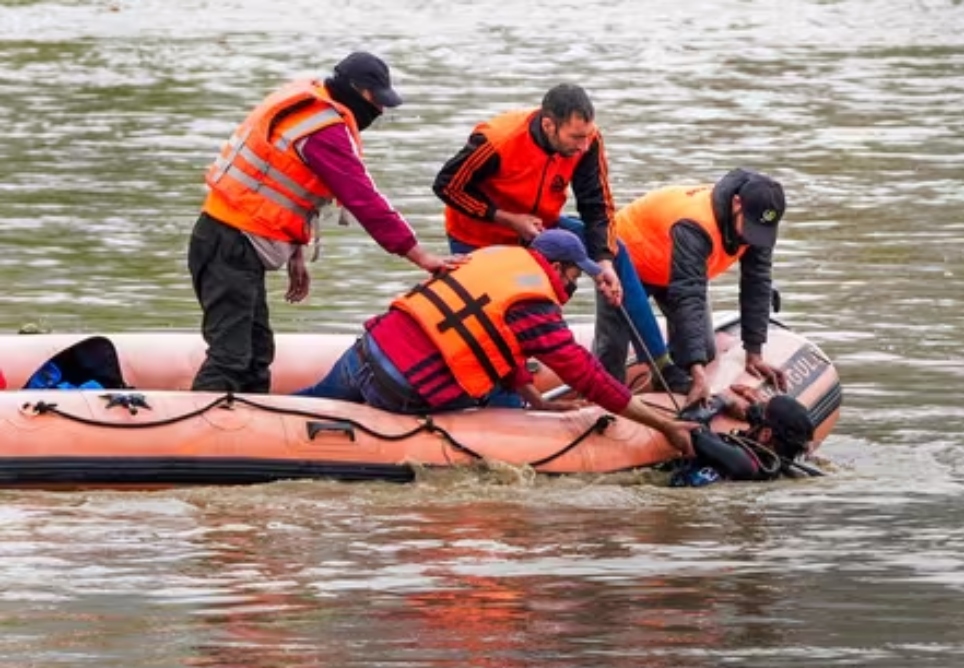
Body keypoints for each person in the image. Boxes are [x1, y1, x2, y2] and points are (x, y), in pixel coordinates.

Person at [189, 51, 458, 394]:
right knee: (231, 357)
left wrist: (295, 249)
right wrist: (421, 256)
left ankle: (246, 433)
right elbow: (365, 201)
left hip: (236, 240)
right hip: (228, 244)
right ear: (358, 91)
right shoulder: (323, 131)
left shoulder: (312, 102)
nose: (379, 111)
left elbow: (283, 184)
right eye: (377, 102)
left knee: (257, 356)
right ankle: (189, 438)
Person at [295, 230, 697, 456]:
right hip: (401, 389)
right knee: (504, 405)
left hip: (364, 352)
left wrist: (537, 400)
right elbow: (588, 376)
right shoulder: (535, 303)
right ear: (557, 268)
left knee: (299, 404)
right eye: (575, 276)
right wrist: (663, 424)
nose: (574, 285)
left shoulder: (492, 257)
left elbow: (492, 339)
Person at [431, 83, 692, 393]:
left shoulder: (588, 142)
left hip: (539, 227)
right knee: (495, 311)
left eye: (587, 136)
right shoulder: (498, 141)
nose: (583, 145)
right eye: (575, 137)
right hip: (478, 233)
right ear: (548, 125)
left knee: (616, 251)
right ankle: (499, 377)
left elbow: (597, 206)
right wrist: (508, 219)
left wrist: (604, 262)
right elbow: (447, 186)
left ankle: (661, 366)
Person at [595, 168, 791, 405]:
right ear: (737, 203)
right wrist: (697, 373)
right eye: (749, 228)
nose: (752, 238)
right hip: (627, 257)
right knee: (612, 349)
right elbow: (689, 295)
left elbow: (757, 283)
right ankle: (603, 405)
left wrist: (754, 353)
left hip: (673, 266)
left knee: (705, 350)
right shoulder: (697, 223)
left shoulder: (759, 223)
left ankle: (666, 390)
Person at [669, 384, 820, 487]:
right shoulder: (771, 467)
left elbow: (689, 425)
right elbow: (759, 422)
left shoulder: (743, 462)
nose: (755, 413)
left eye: (762, 411)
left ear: (766, 434)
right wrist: (747, 408)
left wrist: (720, 401)